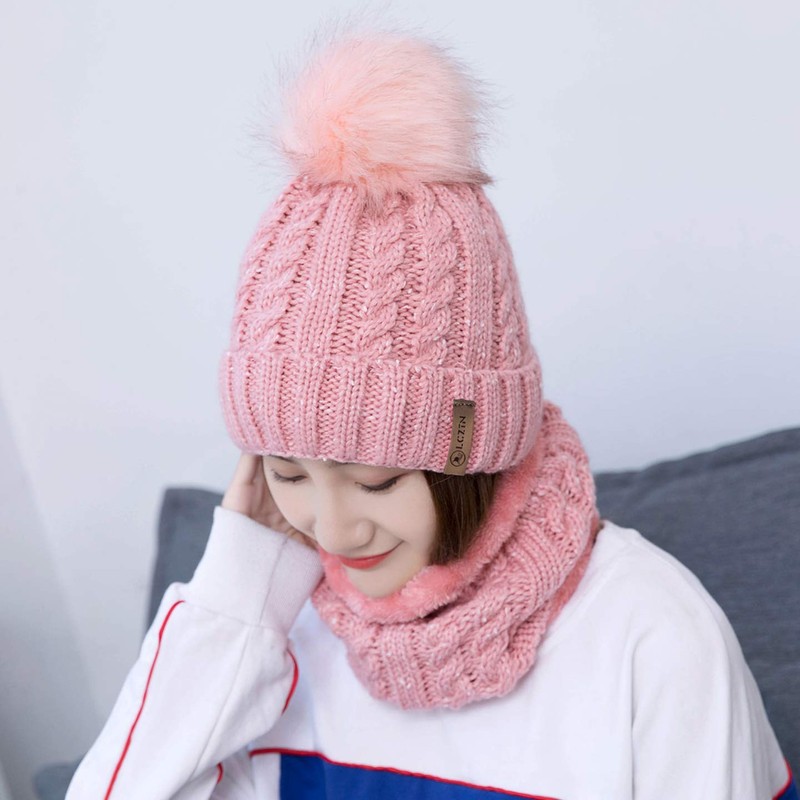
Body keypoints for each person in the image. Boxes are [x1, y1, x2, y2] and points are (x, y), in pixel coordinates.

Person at [66, 25, 796, 800]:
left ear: (473, 451)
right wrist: (231, 603)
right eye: (289, 472)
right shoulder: (270, 633)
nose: (333, 532)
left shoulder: (651, 638)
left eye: (375, 481)